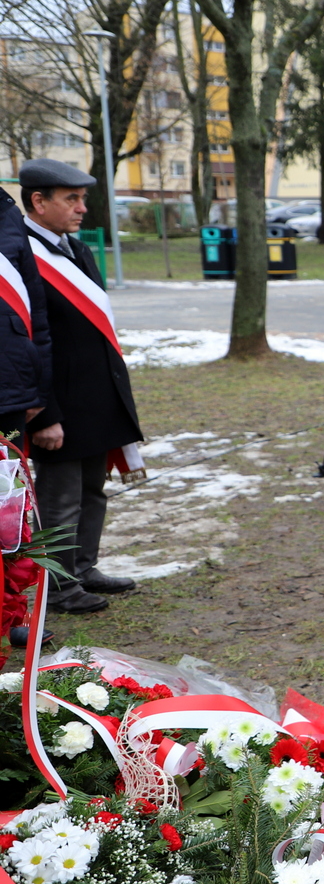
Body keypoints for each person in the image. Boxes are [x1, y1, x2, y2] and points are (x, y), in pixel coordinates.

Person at [20, 159, 141, 614]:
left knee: (93, 490)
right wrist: (44, 412)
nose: (82, 208)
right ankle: (59, 587)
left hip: (94, 397)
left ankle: (84, 569)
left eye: (83, 198)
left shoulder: (77, 250)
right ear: (38, 201)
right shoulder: (19, 255)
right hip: (60, 405)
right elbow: (28, 342)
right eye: (71, 199)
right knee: (60, 501)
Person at [0, 181, 52, 441]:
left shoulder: (7, 213)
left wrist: (40, 393)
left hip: (10, 393)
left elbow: (36, 311)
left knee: (8, 481)